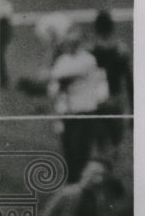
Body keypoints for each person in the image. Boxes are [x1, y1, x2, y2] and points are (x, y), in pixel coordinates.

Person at [47, 23, 109, 183]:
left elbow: (61, 77)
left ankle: (79, 188)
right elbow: (54, 87)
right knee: (69, 154)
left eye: (75, 41)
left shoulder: (88, 60)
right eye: (69, 42)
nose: (71, 44)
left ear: (80, 42)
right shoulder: (63, 60)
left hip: (85, 111)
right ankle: (73, 188)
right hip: (69, 112)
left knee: (81, 152)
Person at [89, 8, 133, 155]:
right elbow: (129, 82)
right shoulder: (121, 51)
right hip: (116, 100)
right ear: (112, 28)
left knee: (100, 146)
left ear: (96, 28)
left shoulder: (90, 52)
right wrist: (133, 111)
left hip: (98, 101)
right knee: (116, 145)